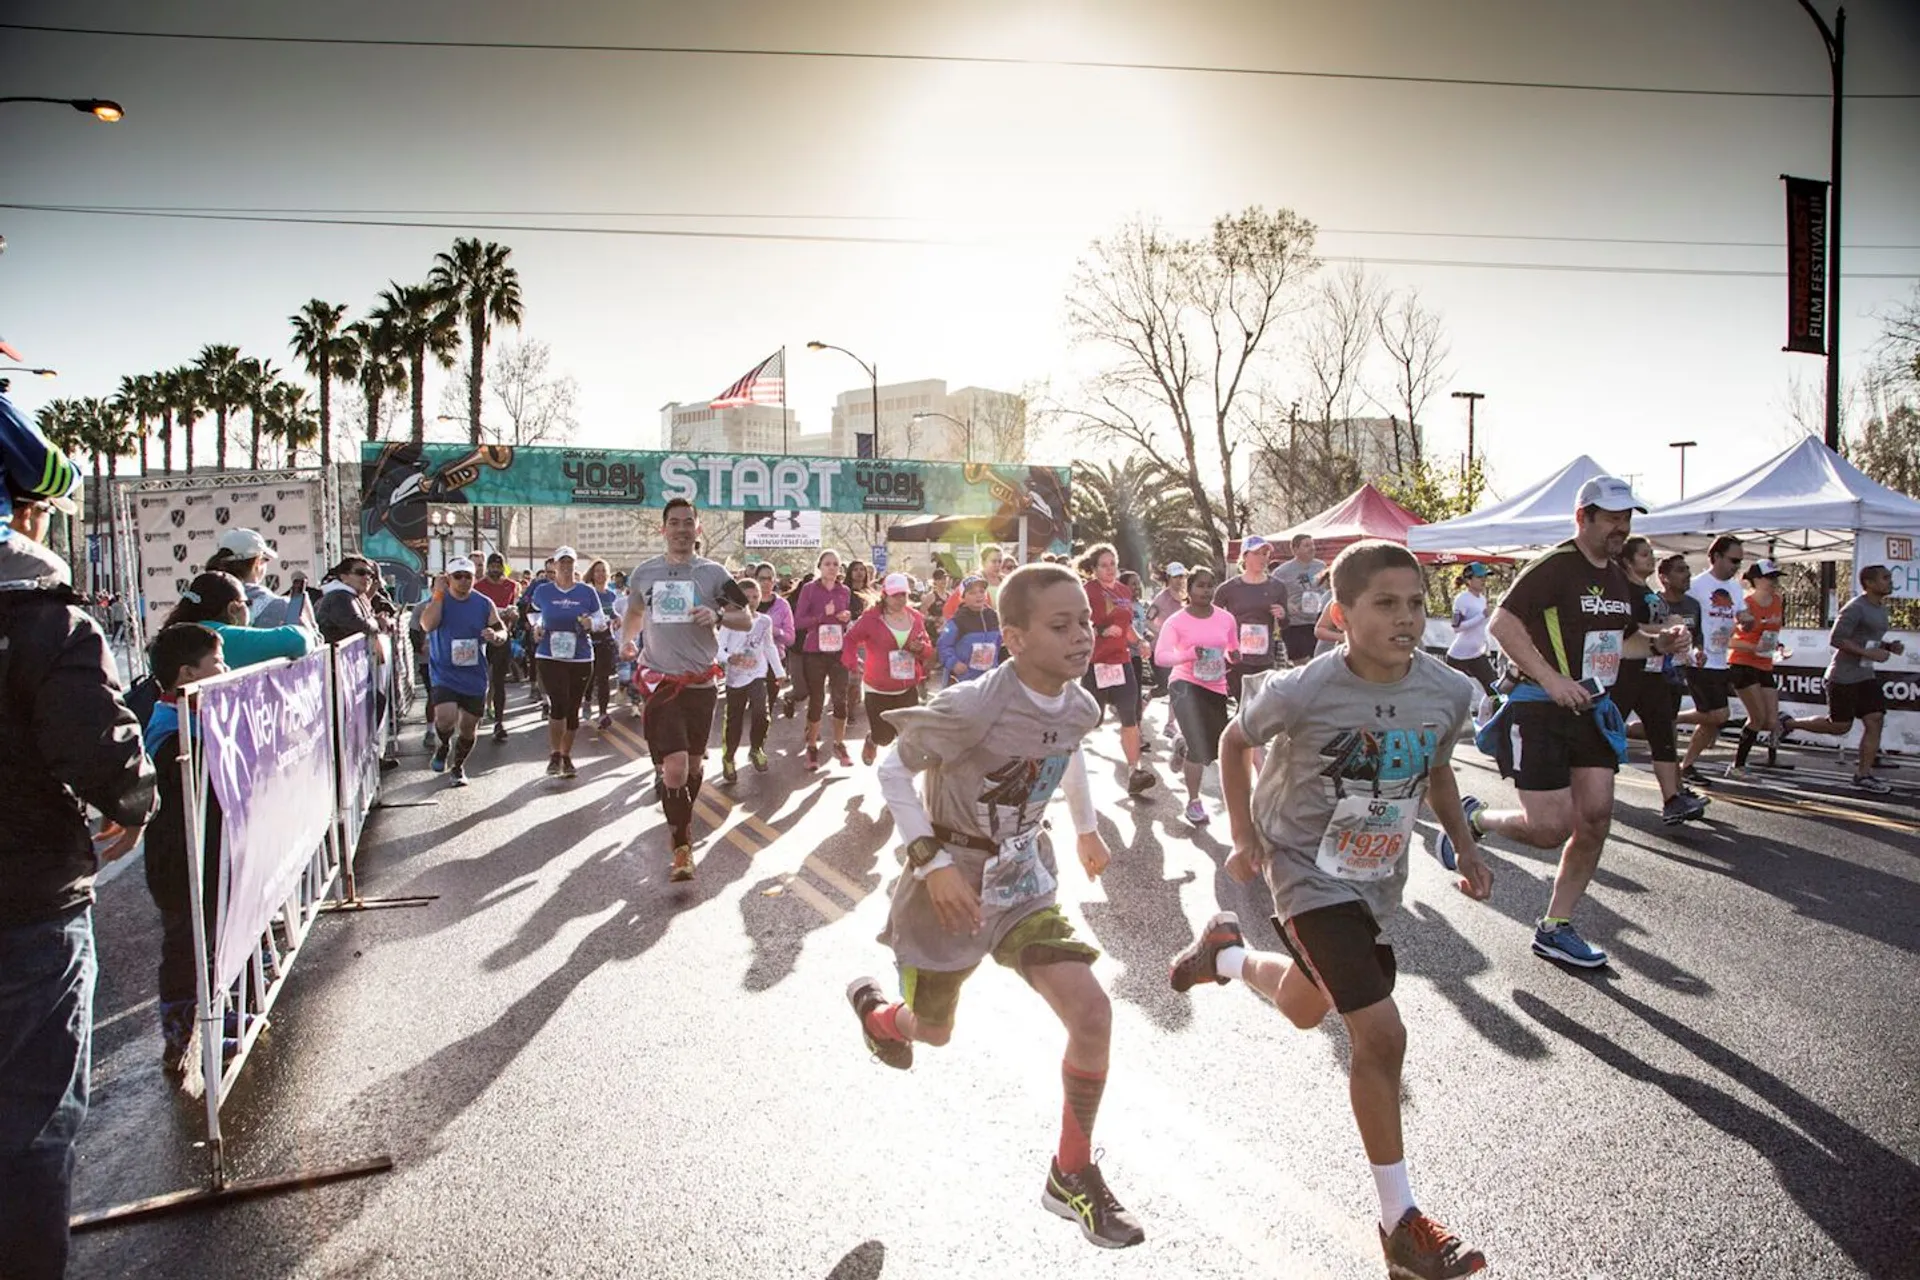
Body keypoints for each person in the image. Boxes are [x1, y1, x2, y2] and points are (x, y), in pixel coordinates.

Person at [1167, 539, 1492, 1280]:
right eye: (1385, 604)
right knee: (1379, 1035)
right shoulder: (1306, 688)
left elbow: (1437, 769)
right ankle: (1400, 1224)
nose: (1406, 617)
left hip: (1375, 877)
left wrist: (1466, 849)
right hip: (1304, 871)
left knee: (1306, 1007)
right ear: (1340, 615)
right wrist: (1244, 835)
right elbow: (1232, 738)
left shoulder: (1444, 690)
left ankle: (1222, 953)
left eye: (1416, 602)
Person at [845, 563, 1142, 1249]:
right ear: (1014, 637)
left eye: (1085, 624)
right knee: (935, 1031)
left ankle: (1070, 1174)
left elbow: (1064, 753)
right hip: (948, 882)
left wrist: (1087, 827)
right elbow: (893, 767)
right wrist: (933, 861)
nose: (1080, 637)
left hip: (1022, 879)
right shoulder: (974, 705)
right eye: (1060, 626)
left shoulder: (1081, 703)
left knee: (1092, 1011)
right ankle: (882, 1017)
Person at [0, 388, 157, 1280]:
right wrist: (133, 802)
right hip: (22, 910)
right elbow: (101, 756)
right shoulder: (42, 616)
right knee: (26, 1131)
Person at [1450, 477, 1690, 968]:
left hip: (1591, 709)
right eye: (1611, 518)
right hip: (1540, 707)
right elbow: (1502, 624)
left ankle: (1556, 926)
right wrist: (1552, 678)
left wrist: (1660, 642)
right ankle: (1474, 820)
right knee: (1549, 828)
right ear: (1583, 518)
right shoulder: (1555, 566)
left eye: (1627, 519)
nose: (1621, 528)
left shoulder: (1620, 578)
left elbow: (1623, 642)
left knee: (1597, 816)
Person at [620, 499, 752, 881]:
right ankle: (681, 846)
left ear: (699, 528)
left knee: (693, 766)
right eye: (674, 523)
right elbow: (633, 612)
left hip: (701, 683)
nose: (681, 529)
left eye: (688, 523)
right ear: (663, 529)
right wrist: (626, 641)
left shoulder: (713, 574)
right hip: (661, 681)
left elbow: (745, 618)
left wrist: (719, 614)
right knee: (676, 767)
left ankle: (681, 817)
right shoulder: (646, 573)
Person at [138, 623, 229, 1073]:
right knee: (185, 943)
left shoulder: (190, 715)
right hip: (179, 862)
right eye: (217, 662)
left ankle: (209, 1019)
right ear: (186, 673)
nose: (226, 669)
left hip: (202, 855)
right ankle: (181, 1031)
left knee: (207, 939)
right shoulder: (171, 731)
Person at [1780, 563, 1905, 793]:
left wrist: (1889, 646)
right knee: (1839, 726)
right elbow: (1836, 639)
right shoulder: (1855, 607)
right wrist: (1868, 653)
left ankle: (1863, 775)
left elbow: (1864, 638)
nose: (1890, 581)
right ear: (1869, 583)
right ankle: (1787, 723)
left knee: (1875, 719)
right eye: (1885, 578)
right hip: (1843, 677)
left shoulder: (1881, 608)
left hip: (1865, 676)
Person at [1613, 541, 1708, 824]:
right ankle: (1581, 788)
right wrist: (1665, 629)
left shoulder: (1648, 592)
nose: (1651, 559)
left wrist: (1680, 635)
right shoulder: (1621, 591)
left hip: (1654, 673)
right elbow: (1626, 629)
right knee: (1604, 733)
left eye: (1652, 554)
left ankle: (1672, 799)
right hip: (1624, 672)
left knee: (1663, 732)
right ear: (1628, 561)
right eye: (1644, 555)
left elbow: (1668, 623)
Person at [1154, 564, 1239, 826]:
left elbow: (1233, 649)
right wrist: (1191, 653)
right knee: (1199, 746)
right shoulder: (1176, 621)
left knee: (1210, 748)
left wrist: (1234, 656)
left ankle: (1181, 744)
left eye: (1210, 585)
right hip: (1184, 685)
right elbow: (1161, 656)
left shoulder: (1226, 618)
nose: (1206, 590)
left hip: (1215, 686)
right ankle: (1193, 803)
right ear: (1189, 589)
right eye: (1200, 585)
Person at [421, 557, 510, 787]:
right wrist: (438, 595)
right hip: (444, 672)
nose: (463, 581)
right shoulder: (439, 600)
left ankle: (458, 767)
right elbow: (427, 625)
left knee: (469, 727)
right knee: (445, 717)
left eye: (467, 576)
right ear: (447, 578)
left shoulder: (483, 603)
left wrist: (495, 636)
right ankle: (443, 746)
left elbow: (501, 630)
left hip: (473, 675)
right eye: (457, 576)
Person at [1078, 543, 1157, 797]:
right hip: (1094, 664)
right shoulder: (1087, 591)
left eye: (1113, 563)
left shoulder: (1123, 591)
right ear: (1093, 569)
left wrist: (1140, 642)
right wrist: (1099, 630)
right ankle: (1067, 770)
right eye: (1104, 565)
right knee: (1090, 719)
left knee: (1129, 718)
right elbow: (1077, 623)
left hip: (1121, 663)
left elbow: (1127, 626)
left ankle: (1135, 772)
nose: (1110, 569)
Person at [841, 571, 934, 765]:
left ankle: (900, 775)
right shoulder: (871, 618)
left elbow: (927, 649)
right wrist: (851, 661)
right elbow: (850, 639)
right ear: (885, 595)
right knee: (884, 737)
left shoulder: (915, 617)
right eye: (896, 595)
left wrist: (921, 648)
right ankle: (872, 739)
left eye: (904, 594)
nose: (901, 599)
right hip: (878, 688)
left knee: (907, 734)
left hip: (907, 686)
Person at [527, 547, 602, 780]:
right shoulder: (543, 591)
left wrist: (591, 622)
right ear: (555, 565)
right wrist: (537, 626)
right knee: (558, 702)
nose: (567, 566)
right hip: (549, 654)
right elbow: (533, 614)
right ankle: (554, 754)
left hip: (580, 655)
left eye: (570, 562)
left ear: (575, 565)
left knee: (572, 707)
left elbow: (601, 619)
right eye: (562, 562)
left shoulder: (586, 592)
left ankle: (566, 755)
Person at [1677, 535, 1747, 784]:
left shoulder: (1735, 588)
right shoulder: (1697, 586)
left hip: (1720, 660)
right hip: (1699, 660)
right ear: (1716, 557)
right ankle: (1670, 718)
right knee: (1719, 716)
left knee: (1709, 721)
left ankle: (1687, 766)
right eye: (1733, 560)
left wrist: (1747, 621)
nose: (1737, 566)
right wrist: (1693, 648)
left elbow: (1741, 616)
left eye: (1740, 562)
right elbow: (1684, 617)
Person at [163, 570, 318, 667]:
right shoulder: (219, 636)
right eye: (247, 603)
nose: (249, 608)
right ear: (232, 609)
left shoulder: (181, 631)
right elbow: (298, 641)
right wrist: (305, 627)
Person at [1723, 559, 1789, 781]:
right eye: (1769, 578)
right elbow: (1726, 640)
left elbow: (1772, 632)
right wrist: (1753, 646)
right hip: (1742, 663)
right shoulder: (1745, 604)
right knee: (1757, 718)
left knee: (1771, 721)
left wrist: (1777, 646)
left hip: (1765, 664)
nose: (1774, 582)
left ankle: (1721, 724)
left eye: (1776, 578)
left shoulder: (1778, 601)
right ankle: (1737, 766)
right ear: (1756, 580)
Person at [718, 576, 787, 784]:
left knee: (761, 712)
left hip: (757, 674)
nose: (752, 600)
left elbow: (769, 647)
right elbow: (718, 647)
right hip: (735, 678)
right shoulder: (730, 621)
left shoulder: (764, 621)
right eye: (747, 597)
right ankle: (729, 757)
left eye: (755, 596)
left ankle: (756, 748)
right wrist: (729, 658)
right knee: (735, 720)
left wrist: (779, 671)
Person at [793, 549, 855, 769]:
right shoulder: (810, 589)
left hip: (837, 649)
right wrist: (822, 616)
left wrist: (845, 618)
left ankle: (839, 743)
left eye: (836, 564)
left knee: (840, 697)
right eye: (827, 563)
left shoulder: (844, 591)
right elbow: (798, 621)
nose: (832, 567)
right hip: (815, 651)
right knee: (817, 699)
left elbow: (846, 620)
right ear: (819, 566)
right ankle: (812, 746)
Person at [1214, 535, 1291, 703]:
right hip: (1236, 657)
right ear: (1245, 556)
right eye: (1257, 553)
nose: (1263, 558)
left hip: (1265, 657)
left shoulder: (1277, 587)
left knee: (1259, 705)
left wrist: (1283, 615)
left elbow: (1286, 624)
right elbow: (1213, 621)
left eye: (1265, 554)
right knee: (1243, 703)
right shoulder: (1228, 589)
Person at [472, 552, 520, 742]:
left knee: (499, 681)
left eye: (498, 566)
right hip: (482, 637)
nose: (495, 569)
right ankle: (476, 716)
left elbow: (514, 609)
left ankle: (499, 722)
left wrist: (513, 615)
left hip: (502, 637)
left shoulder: (512, 586)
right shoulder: (478, 587)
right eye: (491, 566)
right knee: (480, 679)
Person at [1443, 563, 1498, 707]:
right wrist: (1481, 616)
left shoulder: (1482, 599)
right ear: (1468, 580)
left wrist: (1485, 644)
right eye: (1480, 577)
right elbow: (1456, 627)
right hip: (1458, 656)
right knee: (1451, 695)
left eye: (1485, 577)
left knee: (1495, 690)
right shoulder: (1462, 599)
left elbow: (1481, 628)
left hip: (1476, 654)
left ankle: (1496, 724)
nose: (1483, 580)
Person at [936, 575, 1003, 688]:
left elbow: (999, 642)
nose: (979, 595)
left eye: (982, 591)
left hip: (989, 681)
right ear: (963, 597)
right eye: (972, 593)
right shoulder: (957, 620)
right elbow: (943, 645)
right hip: (965, 682)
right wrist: (954, 663)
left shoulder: (994, 616)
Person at [1273, 534, 1328, 664]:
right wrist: (1286, 604)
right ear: (1295, 549)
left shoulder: (1321, 566)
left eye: (1312, 545)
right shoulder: (1282, 572)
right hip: (1295, 624)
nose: (1312, 548)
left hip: (1318, 622)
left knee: (1319, 662)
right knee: (1302, 664)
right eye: (1307, 545)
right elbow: (1271, 593)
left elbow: (1328, 588)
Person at [582, 557, 621, 731]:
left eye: (604, 571)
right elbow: (581, 612)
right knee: (589, 675)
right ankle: (587, 700)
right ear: (592, 573)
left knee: (603, 677)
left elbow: (612, 612)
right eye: (597, 571)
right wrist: (589, 621)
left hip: (605, 638)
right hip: (589, 638)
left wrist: (616, 618)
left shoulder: (611, 594)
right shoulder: (588, 592)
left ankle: (603, 713)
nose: (601, 574)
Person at [1146, 561, 1187, 699]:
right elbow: (1148, 620)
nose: (1179, 580)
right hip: (1159, 649)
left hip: (1178, 650)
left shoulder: (1186, 597)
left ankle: (1172, 721)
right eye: (1176, 577)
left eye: (1181, 576)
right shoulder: (1162, 598)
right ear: (1168, 578)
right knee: (1164, 688)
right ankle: (1143, 701)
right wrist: (1163, 634)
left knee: (1178, 685)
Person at [942, 543, 1007, 621]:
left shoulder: (1007, 581)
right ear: (983, 562)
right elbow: (949, 608)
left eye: (1000, 561)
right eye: (994, 561)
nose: (997, 565)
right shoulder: (971, 580)